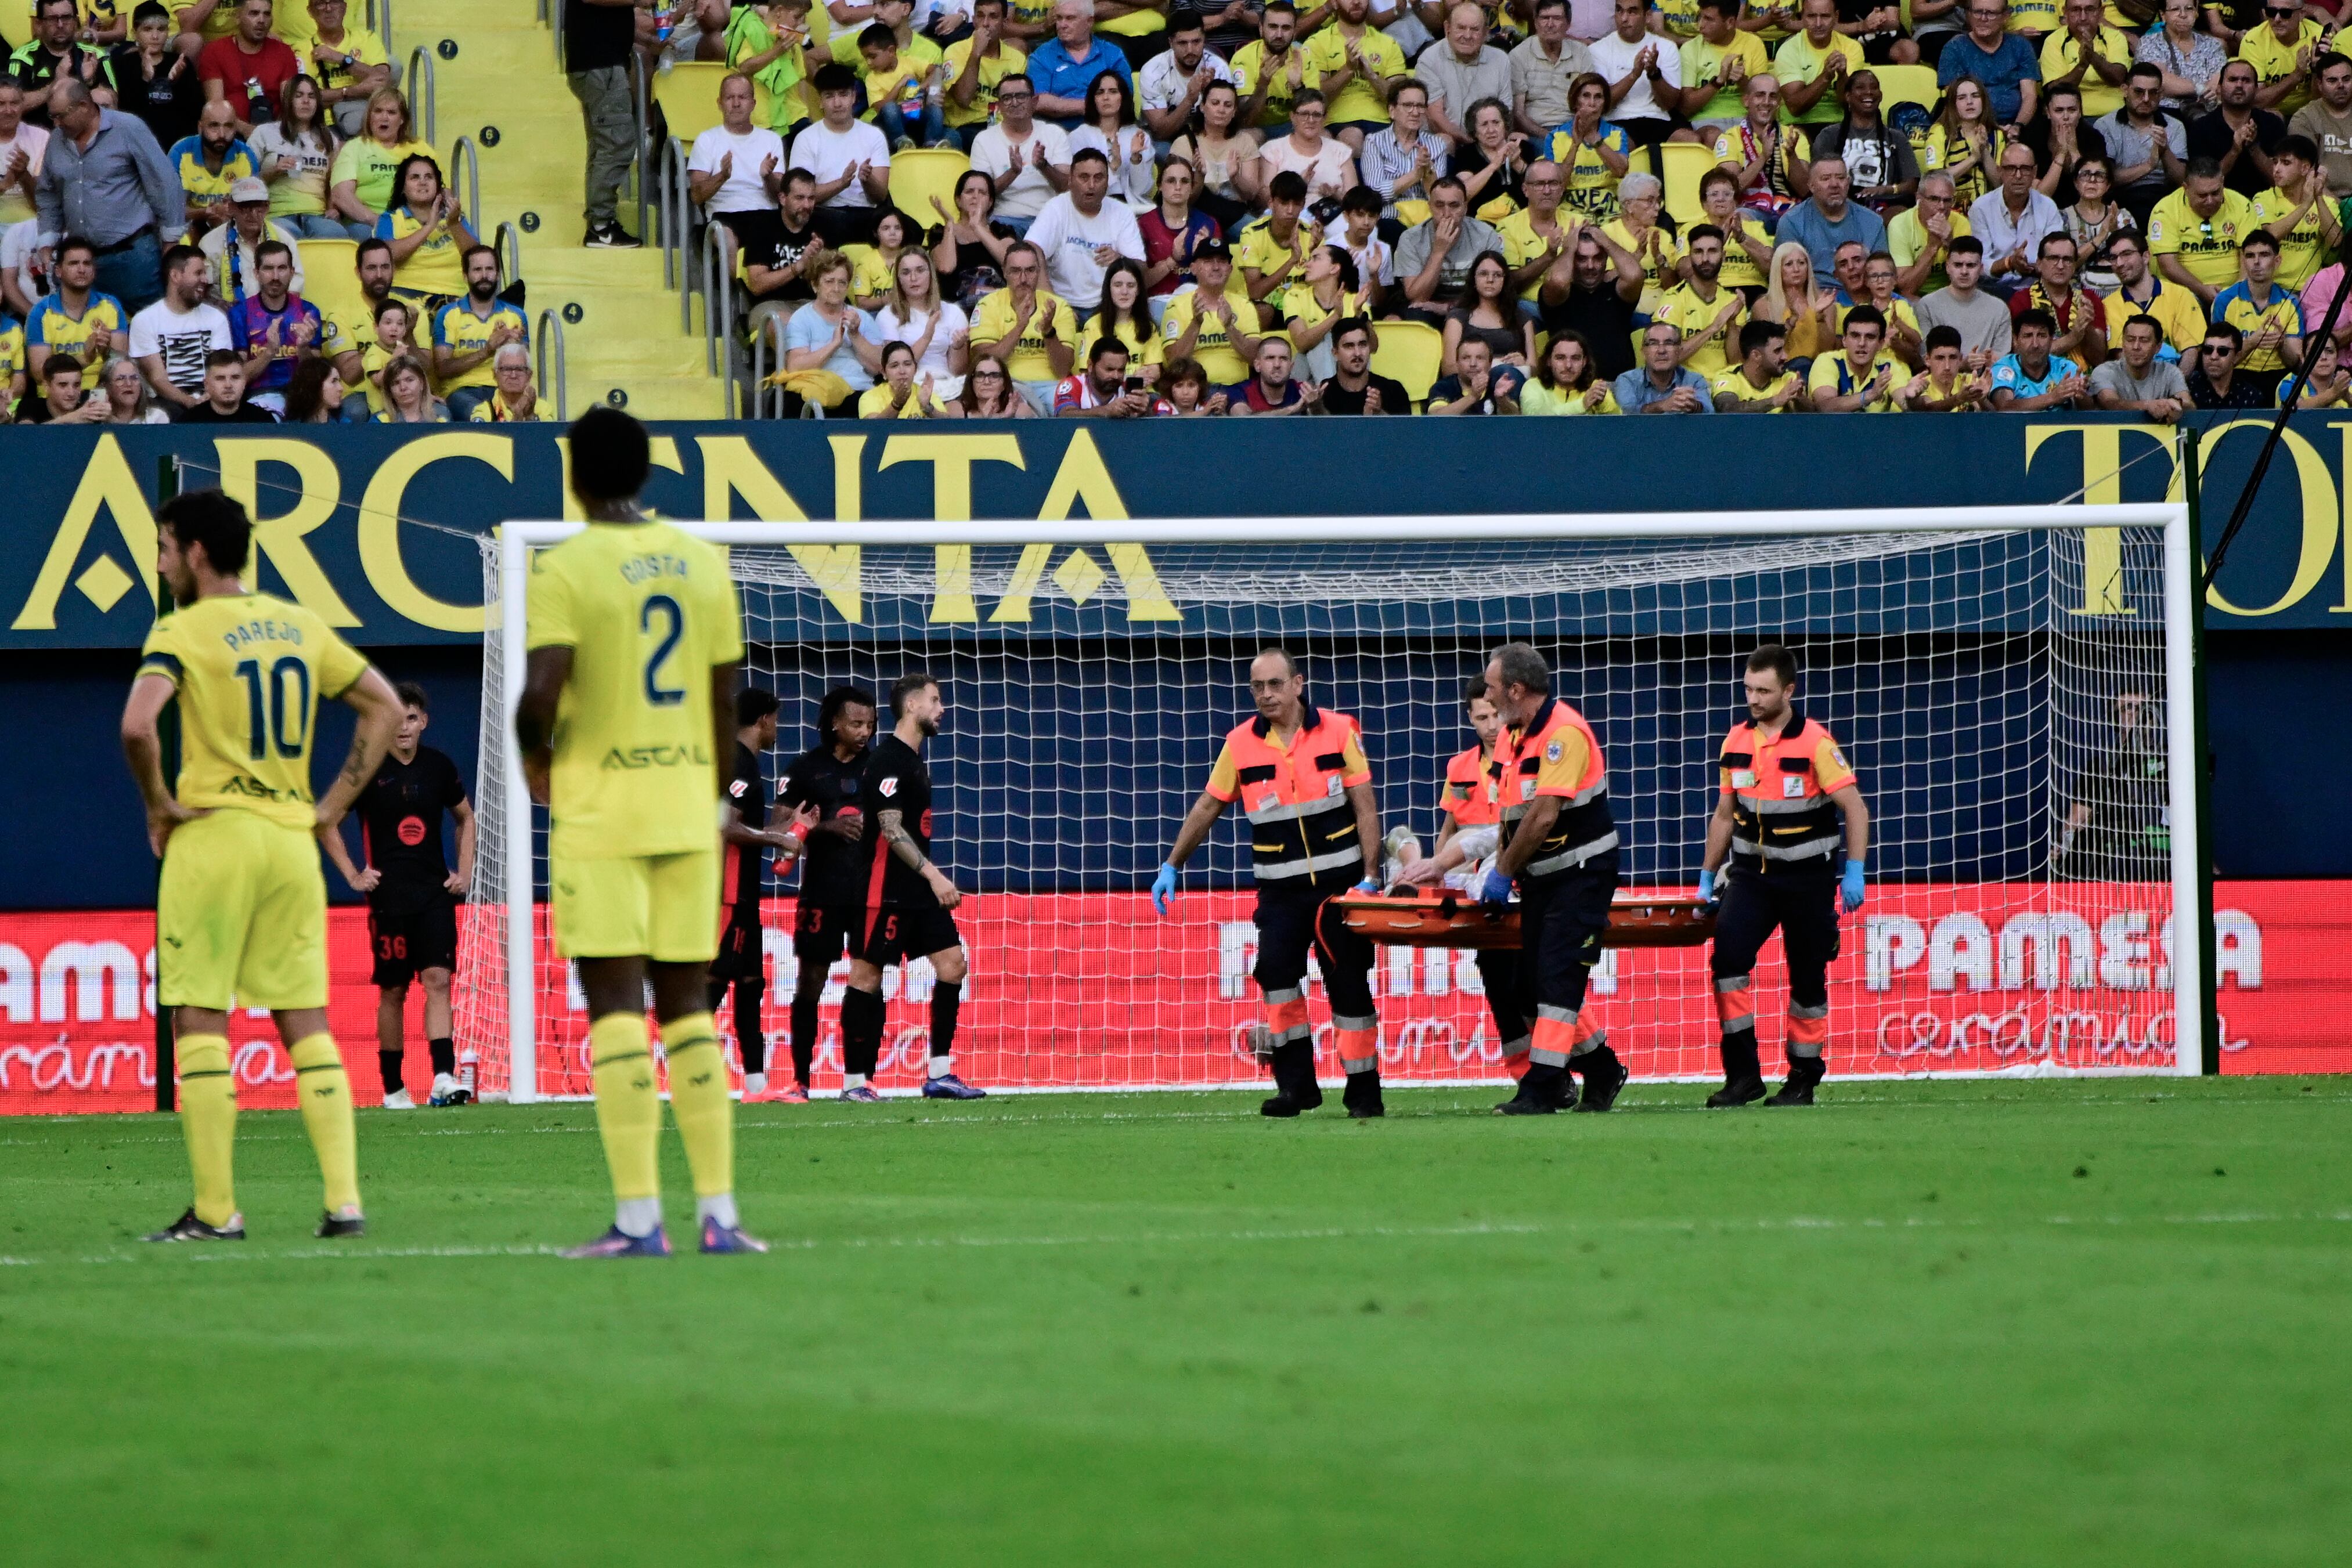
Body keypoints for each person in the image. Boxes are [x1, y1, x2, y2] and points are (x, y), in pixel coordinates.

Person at [121, 487, 402, 1241]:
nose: (161, 561)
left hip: (214, 836)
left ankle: (217, 1210)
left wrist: (157, 804)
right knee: (305, 1019)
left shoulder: (182, 629)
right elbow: (384, 708)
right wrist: (330, 806)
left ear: (196, 553)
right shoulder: (299, 625)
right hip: (288, 842)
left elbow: (139, 726)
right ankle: (345, 1205)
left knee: (201, 1015)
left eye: (164, 547)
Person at [515, 407, 761, 1255]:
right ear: (647, 471)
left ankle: (637, 1220)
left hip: (602, 808)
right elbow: (726, 696)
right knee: (689, 1006)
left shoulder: (567, 566)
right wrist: (715, 786)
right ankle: (721, 1216)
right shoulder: (702, 562)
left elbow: (541, 694)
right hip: (687, 808)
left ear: (576, 474)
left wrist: (536, 765)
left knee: (618, 1008)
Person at [1153, 648, 1387, 1118]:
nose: (1265, 695)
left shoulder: (1340, 731)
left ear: (1298, 684)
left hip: (1339, 890)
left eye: (1275, 684)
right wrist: (1172, 864)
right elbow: (1207, 806)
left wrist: (1370, 877)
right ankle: (1296, 1087)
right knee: (1277, 979)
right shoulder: (1240, 743)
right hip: (1280, 893)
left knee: (1348, 986)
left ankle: (1364, 1091)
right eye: (1257, 687)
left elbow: (1365, 806)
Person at [1697, 644, 1868, 1108]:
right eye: (1748, 689)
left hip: (1808, 881)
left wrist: (1855, 871)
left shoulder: (1816, 742)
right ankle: (1743, 1077)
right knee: (1728, 964)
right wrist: (1706, 875)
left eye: (1763, 690)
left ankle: (1803, 1079)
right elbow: (1724, 816)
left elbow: (1854, 808)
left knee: (1807, 980)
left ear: (1788, 690)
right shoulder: (1735, 743)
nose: (1752, 699)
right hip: (1751, 877)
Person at [1473, 642, 1628, 1114]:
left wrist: (1502, 872)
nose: (1488, 695)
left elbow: (1542, 817)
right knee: (1527, 991)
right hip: (1541, 878)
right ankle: (1601, 1068)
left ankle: (1544, 1089)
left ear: (1517, 689)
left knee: (1556, 985)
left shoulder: (1565, 735)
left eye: (1493, 687)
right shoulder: (1512, 736)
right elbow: (1509, 816)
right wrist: (1504, 871)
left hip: (1582, 873)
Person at [315, 681, 478, 1110]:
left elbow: (466, 818)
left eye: (411, 718)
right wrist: (353, 874)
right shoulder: (366, 770)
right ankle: (393, 1088)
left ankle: (444, 1076)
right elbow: (326, 821)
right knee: (393, 989)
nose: (403, 727)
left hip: (434, 893)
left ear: (423, 721)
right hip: (388, 898)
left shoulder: (440, 767)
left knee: (438, 980)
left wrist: (465, 871)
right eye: (397, 718)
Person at [834, 673, 987, 1101]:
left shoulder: (914, 761)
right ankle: (854, 1082)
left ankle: (939, 1074)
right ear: (912, 707)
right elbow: (889, 828)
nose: (943, 709)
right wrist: (935, 874)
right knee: (866, 975)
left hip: (916, 892)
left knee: (953, 965)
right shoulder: (887, 759)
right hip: (882, 890)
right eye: (935, 700)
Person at [704, 688, 818, 1103]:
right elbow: (725, 828)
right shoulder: (738, 761)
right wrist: (778, 838)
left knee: (751, 983)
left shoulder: (744, 762)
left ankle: (755, 1086)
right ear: (765, 720)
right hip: (728, 894)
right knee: (715, 981)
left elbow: (745, 823)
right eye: (776, 720)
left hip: (745, 895)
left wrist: (787, 824)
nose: (778, 729)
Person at [766, 686, 878, 1102]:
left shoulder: (881, 768)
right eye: (856, 723)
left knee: (868, 982)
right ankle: (800, 1081)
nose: (864, 731)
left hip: (870, 892)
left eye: (870, 723)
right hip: (822, 892)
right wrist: (821, 828)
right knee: (810, 983)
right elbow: (776, 831)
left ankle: (858, 1080)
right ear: (835, 723)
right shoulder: (805, 770)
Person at [37, 77, 186, 313]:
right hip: (82, 262)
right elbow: (49, 193)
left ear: (84, 106)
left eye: (61, 116)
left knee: (147, 326)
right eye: (52, 116)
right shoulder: (57, 140)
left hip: (133, 257)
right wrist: (47, 242)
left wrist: (170, 242)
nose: (56, 124)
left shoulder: (128, 128)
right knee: (88, 333)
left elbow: (164, 183)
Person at [2057, 687, 2171, 882]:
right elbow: (2077, 820)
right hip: (2119, 866)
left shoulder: (2172, 762)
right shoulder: (2102, 766)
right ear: (2116, 718)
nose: (2139, 714)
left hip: (2166, 865)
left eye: (2144, 708)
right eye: (2129, 708)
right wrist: (2062, 848)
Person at [1025, 144, 1146, 309]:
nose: (1091, 185)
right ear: (1070, 180)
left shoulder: (1122, 212)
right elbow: (1032, 250)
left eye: (1098, 178)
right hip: (1062, 301)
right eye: (1084, 177)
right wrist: (1053, 304)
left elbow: (1140, 267)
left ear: (1107, 182)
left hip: (1108, 307)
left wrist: (1121, 261)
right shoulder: (1056, 207)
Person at [562, 0, 643, 247]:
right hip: (601, 66)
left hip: (596, 65)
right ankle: (601, 225)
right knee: (616, 144)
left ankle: (600, 223)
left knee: (602, 147)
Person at [792, 62, 893, 246]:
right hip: (824, 213)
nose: (837, 103)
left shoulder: (874, 135)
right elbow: (800, 196)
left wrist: (867, 179)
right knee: (828, 223)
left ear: (854, 97)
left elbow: (880, 196)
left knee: (910, 229)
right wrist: (841, 183)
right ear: (820, 101)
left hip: (867, 213)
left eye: (843, 95)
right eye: (830, 97)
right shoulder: (806, 138)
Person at [687, 71, 789, 252]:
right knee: (728, 243)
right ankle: (737, 282)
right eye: (729, 98)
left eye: (742, 97)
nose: (736, 104)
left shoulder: (771, 139)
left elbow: (779, 196)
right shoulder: (707, 139)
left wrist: (767, 177)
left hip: (766, 213)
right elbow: (696, 196)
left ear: (753, 104)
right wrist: (722, 176)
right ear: (720, 103)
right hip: (724, 215)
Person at [972, 236, 1077, 407]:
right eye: (1015, 271)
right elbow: (984, 362)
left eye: (1030, 270)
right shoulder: (988, 305)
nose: (1023, 278)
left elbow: (1063, 370)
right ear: (1004, 272)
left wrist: (1049, 332)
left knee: (1069, 412)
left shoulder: (1059, 306)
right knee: (1019, 410)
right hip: (1008, 384)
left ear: (1038, 272)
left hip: (1052, 386)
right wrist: (1020, 326)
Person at [130, 243, 232, 409]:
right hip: (165, 403)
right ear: (175, 276)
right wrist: (191, 402)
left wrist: (205, 400)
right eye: (198, 273)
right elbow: (157, 379)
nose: (205, 280)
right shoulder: (144, 320)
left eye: (205, 273)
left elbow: (219, 370)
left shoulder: (216, 317)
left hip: (210, 399)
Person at [326, 85, 433, 242]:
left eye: (392, 112)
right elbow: (342, 196)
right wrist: (381, 222)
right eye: (378, 111)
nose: (384, 117)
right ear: (370, 117)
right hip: (368, 224)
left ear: (402, 119)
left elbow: (443, 189)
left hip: (416, 221)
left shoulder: (420, 148)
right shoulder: (355, 147)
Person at [2148, 156, 2257, 307]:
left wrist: (2235, 291)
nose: (2210, 200)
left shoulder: (2242, 205)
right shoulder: (2165, 209)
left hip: (2234, 292)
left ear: (2223, 183)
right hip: (2183, 293)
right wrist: (2202, 290)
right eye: (2202, 195)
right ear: (2185, 189)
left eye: (2216, 193)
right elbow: (2168, 265)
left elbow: (2251, 253)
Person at [969, 72, 1069, 235]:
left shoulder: (1054, 134)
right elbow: (980, 196)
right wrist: (1012, 173)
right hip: (1003, 219)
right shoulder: (984, 139)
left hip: (1049, 218)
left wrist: (1044, 166)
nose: (1014, 103)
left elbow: (1066, 187)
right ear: (999, 106)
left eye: (1021, 96)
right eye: (1007, 98)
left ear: (1034, 102)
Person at [1538, 222, 1643, 378]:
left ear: (1607, 258)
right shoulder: (1560, 294)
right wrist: (1569, 249)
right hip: (1571, 388)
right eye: (1582, 259)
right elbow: (1558, 281)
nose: (1590, 266)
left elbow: (1635, 275)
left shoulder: (1616, 290)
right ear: (1572, 260)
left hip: (1618, 387)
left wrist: (1606, 242)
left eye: (1598, 258)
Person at [1300, 0, 1405, 153]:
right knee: (1352, 139)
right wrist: (1348, 70)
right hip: (1336, 121)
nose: (1356, 2)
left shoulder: (1389, 44)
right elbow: (1317, 98)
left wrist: (1369, 73)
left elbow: (1400, 99)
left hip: (1382, 121)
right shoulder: (1317, 43)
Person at [375, 153, 474, 314]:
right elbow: (387, 257)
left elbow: (476, 258)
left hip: (456, 297)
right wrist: (429, 227)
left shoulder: (455, 218)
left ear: (438, 186)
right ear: (403, 189)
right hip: (406, 296)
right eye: (415, 177)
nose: (423, 182)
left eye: (429, 177)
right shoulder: (390, 220)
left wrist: (454, 224)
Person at [225, 235, 314, 411]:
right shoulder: (240, 314)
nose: (275, 276)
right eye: (268, 269)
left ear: (292, 271)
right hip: (258, 395)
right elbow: (239, 376)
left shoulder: (308, 312)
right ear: (256, 273)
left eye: (282, 268)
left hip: (302, 393)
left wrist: (303, 349)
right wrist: (270, 352)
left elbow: (316, 375)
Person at [1396, 174, 1502, 319]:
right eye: (1439, 205)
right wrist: (1438, 252)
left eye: (1454, 206)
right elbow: (1417, 297)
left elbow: (1493, 292)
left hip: (1470, 306)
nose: (1447, 214)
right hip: (1427, 304)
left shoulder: (1486, 235)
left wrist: (1447, 308)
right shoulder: (1411, 238)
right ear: (1430, 207)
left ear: (1465, 208)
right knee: (1415, 314)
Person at [26, 236, 127, 389]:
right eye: (74, 264)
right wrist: (85, 358)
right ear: (58, 271)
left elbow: (122, 365)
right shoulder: (40, 313)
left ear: (94, 270)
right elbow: (40, 373)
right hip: (58, 400)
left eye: (87, 263)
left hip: (102, 394)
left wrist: (106, 351)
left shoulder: (111, 306)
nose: (81, 269)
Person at [248, 74, 341, 239]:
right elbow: (246, 181)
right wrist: (274, 170)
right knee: (289, 235)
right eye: (299, 96)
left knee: (337, 233)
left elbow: (332, 183)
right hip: (277, 214)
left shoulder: (329, 138)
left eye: (311, 96)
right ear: (288, 100)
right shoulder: (265, 133)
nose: (306, 101)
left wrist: (332, 208)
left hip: (316, 215)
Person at [2212, 229, 2303, 393]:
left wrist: (2281, 344)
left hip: (2280, 376)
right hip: (2237, 375)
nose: (2257, 262)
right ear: (2244, 261)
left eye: (2264, 255)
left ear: (2277, 261)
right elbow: (2218, 361)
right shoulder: (2224, 300)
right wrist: (2253, 342)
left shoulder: (2291, 303)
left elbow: (2295, 363)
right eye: (2250, 256)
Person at [1159, 232, 1259, 384]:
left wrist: (1229, 327)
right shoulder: (1176, 306)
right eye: (1208, 261)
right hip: (1195, 392)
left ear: (1230, 269)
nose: (1216, 267)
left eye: (1222, 261)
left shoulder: (1244, 305)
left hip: (1239, 390)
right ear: (1193, 268)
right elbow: (1173, 363)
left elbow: (1256, 359)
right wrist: (1196, 323)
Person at [1651, 222, 1747, 378]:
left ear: (1723, 256)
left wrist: (1731, 324)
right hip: (1686, 385)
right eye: (1698, 252)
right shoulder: (1673, 298)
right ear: (1690, 257)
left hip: (1723, 386)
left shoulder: (1733, 301)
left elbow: (1736, 362)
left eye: (1712, 251)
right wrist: (1714, 327)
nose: (1705, 259)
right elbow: (1667, 357)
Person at [1711, 71, 1807, 227]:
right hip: (1749, 209)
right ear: (1746, 100)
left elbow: (1804, 191)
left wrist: (1792, 156)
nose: (1767, 102)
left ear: (1779, 102)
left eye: (1773, 96)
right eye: (1760, 95)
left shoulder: (1794, 136)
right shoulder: (1730, 138)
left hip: (1789, 209)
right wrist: (1763, 158)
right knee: (1738, 218)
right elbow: (1730, 190)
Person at [2100, 63, 2189, 229]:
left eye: (2153, 93)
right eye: (2139, 92)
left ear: (2161, 94)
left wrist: (2165, 151)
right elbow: (2106, 180)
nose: (2146, 99)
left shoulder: (2175, 126)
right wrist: (2148, 165)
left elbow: (2182, 180)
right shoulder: (2106, 126)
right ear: (2125, 90)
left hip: (2165, 196)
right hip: (2122, 197)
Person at [1587, 0, 1683, 154]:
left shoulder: (1667, 47)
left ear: (1648, 16)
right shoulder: (1597, 50)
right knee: (1624, 145)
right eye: (1619, 11)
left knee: (1690, 140)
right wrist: (1634, 75)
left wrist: (1654, 73)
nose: (1624, 18)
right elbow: (1603, 104)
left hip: (1657, 118)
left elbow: (1669, 104)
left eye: (1632, 12)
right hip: (1616, 121)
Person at [1968, 143, 2064, 293]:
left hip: (2038, 284)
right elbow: (1979, 263)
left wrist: (2036, 266)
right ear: (2000, 171)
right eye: (2011, 169)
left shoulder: (2047, 206)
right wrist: (2009, 263)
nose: (2018, 176)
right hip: (1992, 287)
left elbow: (2057, 254)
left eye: (2025, 169)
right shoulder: (1981, 208)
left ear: (2034, 172)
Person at [111, 2, 206, 151]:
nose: (155, 36)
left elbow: (196, 112)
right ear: (135, 32)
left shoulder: (180, 62)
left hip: (177, 145)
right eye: (148, 30)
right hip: (137, 145)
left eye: (161, 29)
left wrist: (175, 83)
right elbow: (125, 111)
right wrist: (145, 79)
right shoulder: (123, 64)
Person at [1778, 156, 1886, 285]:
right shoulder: (1791, 222)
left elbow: (1882, 272)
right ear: (1811, 186)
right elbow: (1788, 280)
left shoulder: (1873, 222)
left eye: (1840, 178)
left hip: (1863, 296)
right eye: (1826, 179)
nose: (1834, 184)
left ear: (1848, 183)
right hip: (1813, 298)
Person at [196, 0, 297, 137]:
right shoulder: (215, 51)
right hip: (230, 135)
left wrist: (273, 136)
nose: (261, 20)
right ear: (237, 17)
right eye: (254, 14)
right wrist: (251, 132)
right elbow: (216, 109)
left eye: (267, 14)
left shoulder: (284, 52)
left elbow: (289, 105)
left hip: (276, 134)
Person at [1419, 1, 1512, 150]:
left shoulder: (1501, 59)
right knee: (1443, 142)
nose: (1467, 36)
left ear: (1485, 33)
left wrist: (1483, 143)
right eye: (1461, 28)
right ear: (1447, 28)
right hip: (1446, 137)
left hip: (1488, 141)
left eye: (1475, 30)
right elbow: (1435, 117)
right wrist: (1470, 143)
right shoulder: (1429, 59)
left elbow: (1505, 112)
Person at [1935, 0, 2040, 129]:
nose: (1983, 19)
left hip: (2019, 124)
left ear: (2006, 16)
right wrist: (1996, 130)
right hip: (1971, 125)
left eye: (1991, 13)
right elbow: (1958, 99)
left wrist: (2018, 127)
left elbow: (2029, 95)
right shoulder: (1954, 48)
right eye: (1978, 12)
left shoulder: (2021, 46)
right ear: (1969, 14)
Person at [2008, 230, 2104, 370]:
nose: (2060, 266)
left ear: (2074, 267)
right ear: (2039, 264)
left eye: (2067, 260)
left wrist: (2087, 327)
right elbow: (2022, 355)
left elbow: (2099, 360)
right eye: (2053, 258)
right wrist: (2072, 339)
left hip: (2083, 380)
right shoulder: (2022, 300)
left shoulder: (2089, 299)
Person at [2254, 132, 2338, 291]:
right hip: (2272, 289)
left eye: (2286, 163)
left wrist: (2318, 198)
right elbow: (2269, 237)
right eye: (2275, 162)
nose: (2277, 169)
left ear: (2305, 168)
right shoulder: (2264, 198)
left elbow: (2335, 242)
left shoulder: (2326, 203)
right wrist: (2305, 205)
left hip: (2311, 290)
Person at [2188, 59, 2284, 199]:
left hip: (2267, 205)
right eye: (2233, 80)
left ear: (2257, 89)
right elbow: (2203, 185)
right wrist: (2234, 151)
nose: (2239, 85)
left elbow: (2281, 181)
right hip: (2218, 205)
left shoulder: (2273, 124)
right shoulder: (2201, 128)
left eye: (2246, 80)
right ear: (2219, 88)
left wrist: (2254, 148)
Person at [2097, 229, 2201, 357]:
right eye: (2114, 258)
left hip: (2176, 373)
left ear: (2146, 256)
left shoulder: (2180, 295)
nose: (2119, 263)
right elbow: (2121, 355)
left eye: (2127, 254)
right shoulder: (2108, 305)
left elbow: (2191, 351)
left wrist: (2177, 377)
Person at [1361, 76, 1449, 226]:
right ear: (1392, 111)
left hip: (1425, 220)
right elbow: (1374, 195)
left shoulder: (1437, 144)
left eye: (1420, 106)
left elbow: (1439, 198)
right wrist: (1414, 175)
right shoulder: (1374, 142)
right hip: (1389, 218)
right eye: (1408, 105)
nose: (1415, 112)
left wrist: (1427, 171)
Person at [1028, 0, 1131, 127]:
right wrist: (1092, 105)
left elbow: (1125, 97)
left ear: (1089, 22)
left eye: (1070, 19)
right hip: (1059, 134)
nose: (1062, 25)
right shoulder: (1042, 55)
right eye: (1059, 18)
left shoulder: (1112, 54)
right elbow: (1039, 101)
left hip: (1107, 130)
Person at [200, 175, 301, 305]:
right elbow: (204, 291)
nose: (253, 214)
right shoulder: (210, 243)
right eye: (245, 207)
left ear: (267, 208)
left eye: (259, 208)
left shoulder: (284, 239)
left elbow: (295, 288)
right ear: (231, 208)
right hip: (228, 317)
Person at [11, 0, 110, 132]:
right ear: (40, 24)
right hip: (38, 140)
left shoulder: (95, 55)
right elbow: (10, 107)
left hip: (88, 140)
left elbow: (111, 102)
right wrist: (56, 84)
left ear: (76, 21)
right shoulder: (23, 57)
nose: (60, 25)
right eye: (52, 19)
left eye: (66, 18)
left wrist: (87, 82)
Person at [1139, 15, 1234, 146]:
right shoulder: (1153, 71)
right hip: (1164, 140)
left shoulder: (1219, 68)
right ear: (1171, 43)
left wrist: (1209, 93)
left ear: (1204, 40)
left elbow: (1230, 124)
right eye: (1183, 43)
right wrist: (1190, 99)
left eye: (1196, 42)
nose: (1190, 50)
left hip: (1205, 135)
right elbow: (1160, 132)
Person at [943, 0, 1026, 148]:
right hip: (965, 127)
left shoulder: (1017, 58)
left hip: (1003, 129)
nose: (986, 23)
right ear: (974, 20)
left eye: (993, 17)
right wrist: (976, 54)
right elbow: (963, 99)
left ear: (1004, 22)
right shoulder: (955, 51)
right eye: (981, 16)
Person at [1773, 0, 1865, 131]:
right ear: (1802, 17)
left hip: (1840, 124)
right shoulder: (1789, 49)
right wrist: (1826, 77)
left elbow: (1849, 104)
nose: (1818, 24)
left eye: (1825, 16)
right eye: (1811, 16)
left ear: (1836, 17)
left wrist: (1843, 75)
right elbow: (1795, 108)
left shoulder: (1852, 47)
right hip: (1797, 125)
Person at [1673, 0, 1759, 138]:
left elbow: (1764, 99)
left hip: (1747, 119)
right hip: (1706, 122)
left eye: (1709, 19)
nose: (1700, 26)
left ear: (1730, 22)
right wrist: (1718, 81)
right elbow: (1685, 108)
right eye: (1700, 17)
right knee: (1713, 136)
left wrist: (1742, 81)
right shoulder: (1690, 49)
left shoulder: (1753, 43)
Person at [306, 0, 391, 138]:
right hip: (324, 125)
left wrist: (341, 59)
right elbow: (306, 98)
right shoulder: (303, 48)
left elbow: (383, 81)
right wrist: (354, 91)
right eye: (321, 3)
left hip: (365, 116)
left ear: (344, 7)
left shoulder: (366, 38)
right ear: (310, 11)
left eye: (334, 2)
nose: (328, 8)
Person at [857, 21, 946, 151]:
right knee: (890, 108)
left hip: (916, 114)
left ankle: (931, 144)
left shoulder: (909, 62)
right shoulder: (872, 78)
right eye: (866, 58)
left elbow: (938, 71)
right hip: (891, 122)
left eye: (872, 56)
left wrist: (920, 87)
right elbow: (879, 107)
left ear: (891, 51)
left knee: (936, 110)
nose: (869, 62)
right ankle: (901, 142)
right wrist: (899, 85)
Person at [1138, 156, 1218, 301]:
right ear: (1160, 186)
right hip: (1158, 301)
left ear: (1192, 187)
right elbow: (1139, 284)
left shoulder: (1209, 224)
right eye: (1171, 181)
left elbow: (1218, 284)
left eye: (1185, 181)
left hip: (1198, 300)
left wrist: (1202, 256)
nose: (1178, 187)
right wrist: (1172, 260)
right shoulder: (1144, 224)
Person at [1515, 0, 1595, 141]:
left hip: (1575, 128)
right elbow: (1519, 114)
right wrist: (1549, 136)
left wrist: (1575, 133)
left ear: (1568, 24)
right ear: (1535, 22)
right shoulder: (1519, 55)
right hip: (1536, 132)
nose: (1550, 25)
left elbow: (1589, 102)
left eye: (1557, 18)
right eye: (1545, 18)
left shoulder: (1581, 53)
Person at [2037, 0, 2129, 122]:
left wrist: (2093, 57)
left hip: (2114, 115)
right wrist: (2082, 65)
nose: (2083, 17)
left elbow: (2119, 78)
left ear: (2101, 12)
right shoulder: (2053, 41)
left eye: (2090, 10)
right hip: (2069, 117)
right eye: (2076, 10)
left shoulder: (2116, 37)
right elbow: (2054, 90)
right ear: (2065, 13)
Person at [2090, 310, 2192, 419]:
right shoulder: (2105, 371)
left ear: (2158, 347)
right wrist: (2148, 406)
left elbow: (2189, 404)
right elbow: (2110, 403)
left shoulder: (2170, 371)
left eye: (2144, 340)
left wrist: (2176, 405)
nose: (2136, 346)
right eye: (2130, 340)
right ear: (2123, 343)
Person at [1231, 1, 1307, 138]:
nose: (1279, 35)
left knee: (1322, 135)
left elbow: (1311, 118)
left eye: (1286, 28)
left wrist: (1298, 88)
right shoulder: (1242, 59)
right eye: (1273, 27)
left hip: (1291, 126)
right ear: (1261, 28)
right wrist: (1263, 83)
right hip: (1258, 127)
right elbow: (1246, 122)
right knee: (1249, 137)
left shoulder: (1304, 58)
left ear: (1295, 31)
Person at [1989, 305, 2089, 407]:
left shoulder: (2065, 368)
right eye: (2028, 336)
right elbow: (2004, 406)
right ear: (2016, 340)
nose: (2035, 344)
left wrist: (2081, 396)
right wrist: (2053, 397)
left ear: (2051, 339)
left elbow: (2090, 410)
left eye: (2042, 336)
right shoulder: (2005, 367)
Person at [2136, 0, 2223, 118]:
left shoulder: (2212, 45)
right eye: (2175, 9)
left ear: (2196, 12)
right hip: (2164, 113)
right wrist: (2200, 88)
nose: (2183, 15)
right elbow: (2159, 81)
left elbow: (2220, 81)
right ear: (2163, 15)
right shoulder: (2150, 43)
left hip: (2207, 114)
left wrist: (2210, 91)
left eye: (2189, 9)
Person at [1806, 300, 1901, 407]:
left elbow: (1904, 401)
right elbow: (1824, 406)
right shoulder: (1828, 361)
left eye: (1870, 337)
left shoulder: (1889, 367)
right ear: (1844, 340)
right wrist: (1870, 395)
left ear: (1881, 344)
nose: (1862, 343)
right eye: (1855, 336)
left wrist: (1913, 399)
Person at [1081, 254, 1160, 377]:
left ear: (1138, 290)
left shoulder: (1148, 326)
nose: (1124, 292)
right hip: (1107, 392)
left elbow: (1155, 368)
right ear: (1109, 288)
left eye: (1131, 286)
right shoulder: (1093, 325)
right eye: (1118, 285)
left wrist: (1148, 374)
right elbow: (1087, 372)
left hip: (1142, 392)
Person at [2289, 49, 2352, 199]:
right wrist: (2340, 208)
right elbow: (2304, 174)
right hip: (2323, 200)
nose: (2341, 85)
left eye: (2347, 79)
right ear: (2319, 84)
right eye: (2332, 81)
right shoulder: (2304, 119)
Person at [1613, 318, 1712, 411]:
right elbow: (1627, 416)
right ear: (1643, 352)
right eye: (1653, 344)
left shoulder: (1694, 380)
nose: (1661, 351)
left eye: (1669, 343)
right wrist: (1663, 406)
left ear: (1679, 351)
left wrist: (1693, 406)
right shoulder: (1628, 380)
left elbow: (1710, 414)